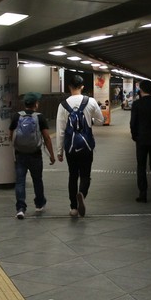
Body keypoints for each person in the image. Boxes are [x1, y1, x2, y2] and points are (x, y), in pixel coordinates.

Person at [55, 74, 104, 217]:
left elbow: (60, 130)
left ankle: (73, 208)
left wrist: (60, 151)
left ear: (69, 87)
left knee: (72, 175)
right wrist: (90, 120)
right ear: (82, 87)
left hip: (70, 147)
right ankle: (82, 193)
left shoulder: (62, 105)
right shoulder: (91, 101)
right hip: (86, 146)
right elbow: (101, 120)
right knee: (85, 175)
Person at [9, 92, 55, 219]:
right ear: (36, 104)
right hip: (35, 154)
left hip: (20, 155)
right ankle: (39, 204)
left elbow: (10, 135)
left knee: (20, 182)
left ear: (25, 104)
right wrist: (51, 154)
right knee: (37, 180)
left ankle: (20, 208)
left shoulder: (16, 116)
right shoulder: (40, 117)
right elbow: (46, 137)